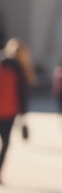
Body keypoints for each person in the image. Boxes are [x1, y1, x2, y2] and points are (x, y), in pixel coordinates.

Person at [0, 39, 31, 184]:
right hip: (9, 111)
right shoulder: (19, 68)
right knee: (5, 142)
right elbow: (22, 93)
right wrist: (23, 114)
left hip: (6, 109)